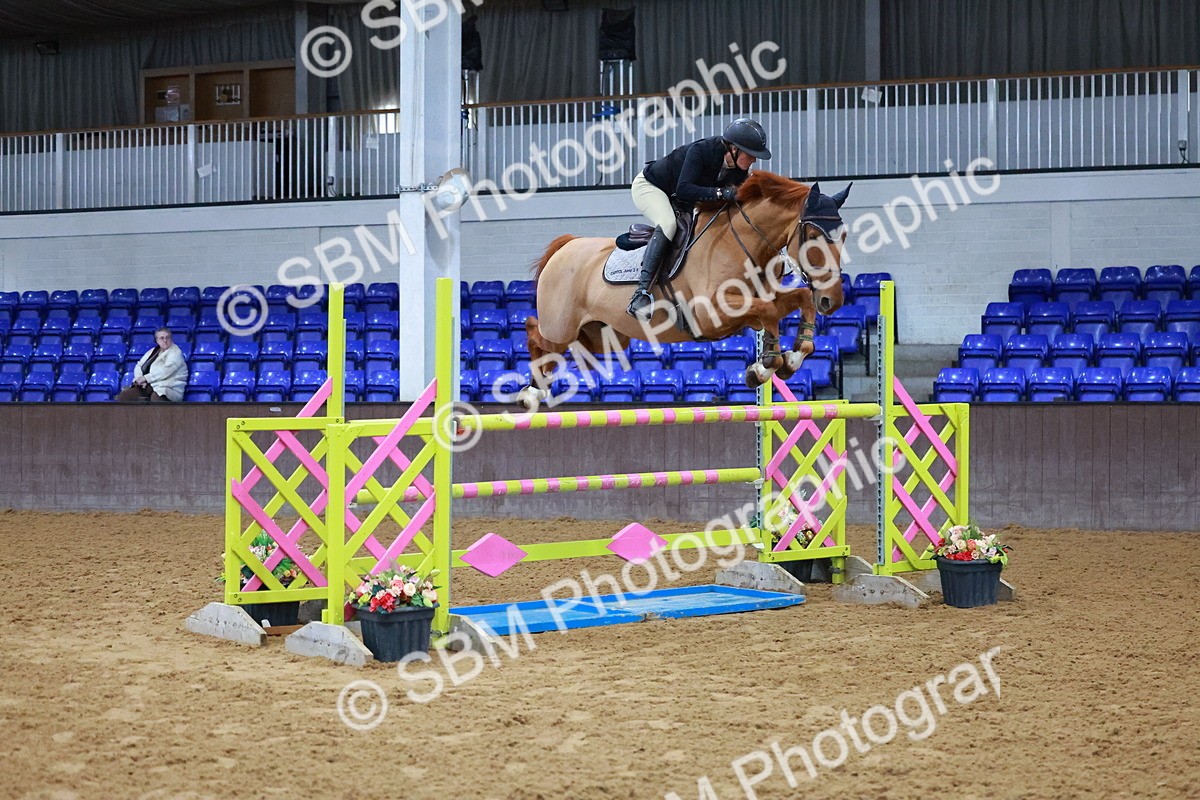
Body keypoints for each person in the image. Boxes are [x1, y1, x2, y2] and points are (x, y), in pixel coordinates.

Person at [626, 117, 772, 321]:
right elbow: (684, 189)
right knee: (668, 224)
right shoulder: (702, 151)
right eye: (751, 155)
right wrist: (722, 194)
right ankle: (641, 294)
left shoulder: (739, 172)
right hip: (652, 187)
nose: (754, 160)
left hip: (681, 199)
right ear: (734, 149)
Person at [117, 327, 187, 402]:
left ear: (171, 339)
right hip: (149, 385)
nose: (165, 340)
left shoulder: (176, 352)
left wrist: (146, 378)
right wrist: (140, 379)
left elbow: (167, 370)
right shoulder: (153, 351)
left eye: (167, 337)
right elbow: (139, 365)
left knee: (156, 398)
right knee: (125, 396)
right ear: (157, 340)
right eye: (162, 338)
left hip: (169, 387)